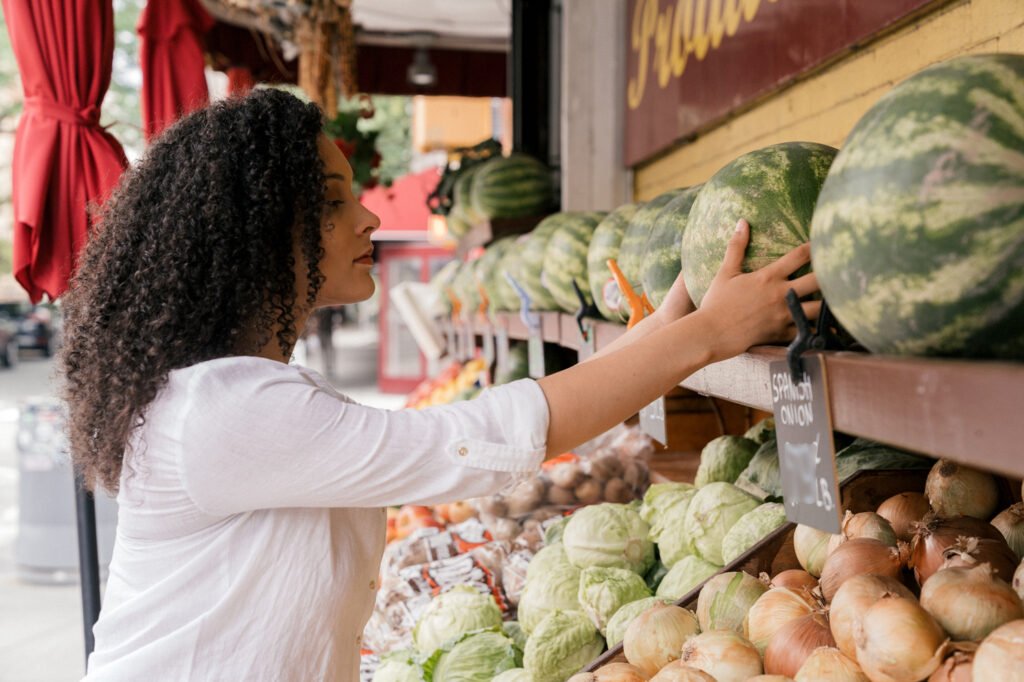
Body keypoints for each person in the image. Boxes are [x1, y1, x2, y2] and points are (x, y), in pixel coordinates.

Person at [60, 89, 819, 681]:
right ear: (253, 232)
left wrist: (673, 320)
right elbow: (478, 442)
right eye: (331, 201)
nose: (367, 220)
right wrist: (706, 336)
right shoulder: (222, 411)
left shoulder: (229, 396)